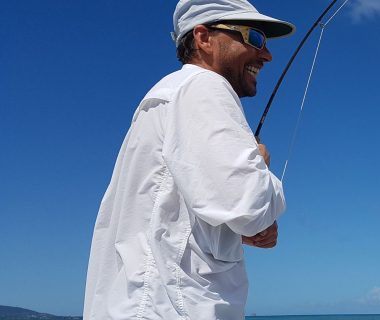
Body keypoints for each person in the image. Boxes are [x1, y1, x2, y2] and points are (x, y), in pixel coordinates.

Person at [83, 0, 295, 319]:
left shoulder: (169, 96)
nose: (266, 55)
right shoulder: (204, 86)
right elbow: (249, 206)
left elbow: (186, 210)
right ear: (203, 37)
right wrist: (261, 164)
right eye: (253, 37)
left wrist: (233, 226)